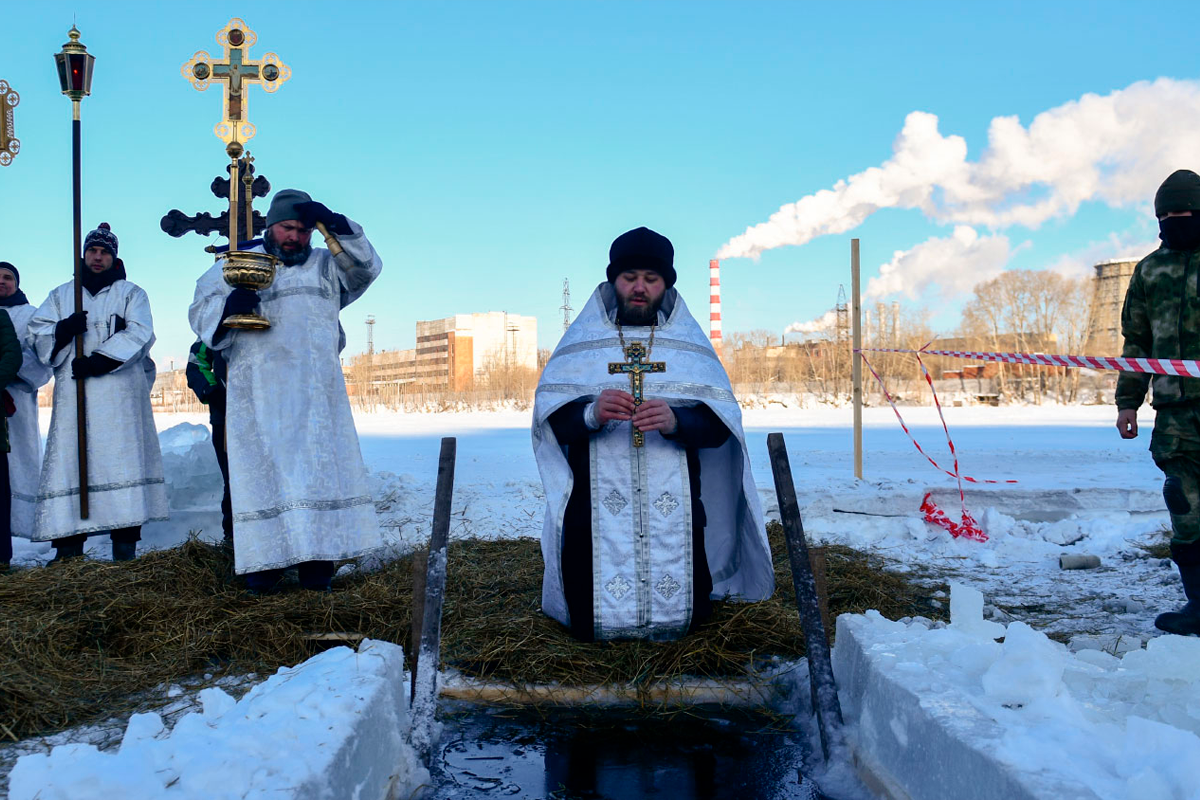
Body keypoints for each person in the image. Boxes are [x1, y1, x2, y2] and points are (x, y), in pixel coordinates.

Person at [532, 227, 774, 641]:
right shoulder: (582, 345)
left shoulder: (689, 348)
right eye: (629, 277)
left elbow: (720, 429)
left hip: (675, 512)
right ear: (613, 281)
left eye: (651, 278)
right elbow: (551, 422)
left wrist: (677, 422)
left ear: (666, 284)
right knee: (591, 621)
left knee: (687, 621)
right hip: (593, 514)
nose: (640, 288)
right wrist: (591, 413)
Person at [188, 190, 383, 592]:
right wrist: (230, 309)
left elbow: (366, 270)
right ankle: (264, 571)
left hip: (317, 397)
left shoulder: (326, 265)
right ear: (270, 226)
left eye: (304, 230)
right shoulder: (239, 262)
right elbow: (200, 307)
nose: (296, 237)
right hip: (259, 398)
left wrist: (338, 223)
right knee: (264, 479)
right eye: (288, 228)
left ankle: (317, 573)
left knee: (318, 480)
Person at [28, 223, 167, 561]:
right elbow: (38, 333)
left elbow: (140, 333)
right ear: (84, 254)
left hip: (120, 396)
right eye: (93, 251)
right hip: (75, 398)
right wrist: (62, 330)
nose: (98, 257)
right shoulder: (63, 295)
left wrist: (98, 362)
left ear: (113, 257)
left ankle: (124, 547)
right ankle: (69, 550)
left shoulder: (132, 293)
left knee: (122, 463)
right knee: (73, 464)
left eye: (105, 252)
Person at [1117, 169, 1200, 636]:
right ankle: (1198, 605)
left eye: (1182, 212)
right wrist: (1128, 401)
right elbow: (1137, 340)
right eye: (1164, 215)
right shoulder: (1150, 269)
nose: (1173, 221)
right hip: (1174, 413)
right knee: (1184, 506)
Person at [0, 263, 53, 568]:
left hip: (15, 398)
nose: (2, 283)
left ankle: (10, 542)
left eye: (8, 278)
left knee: (15, 464)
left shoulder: (31, 315)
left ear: (17, 284)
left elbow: (40, 357)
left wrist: (8, 368)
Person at [185, 337, 232, 548]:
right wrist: (211, 391)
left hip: (273, 417)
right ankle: (234, 542)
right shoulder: (214, 322)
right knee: (234, 483)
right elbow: (196, 364)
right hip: (226, 418)